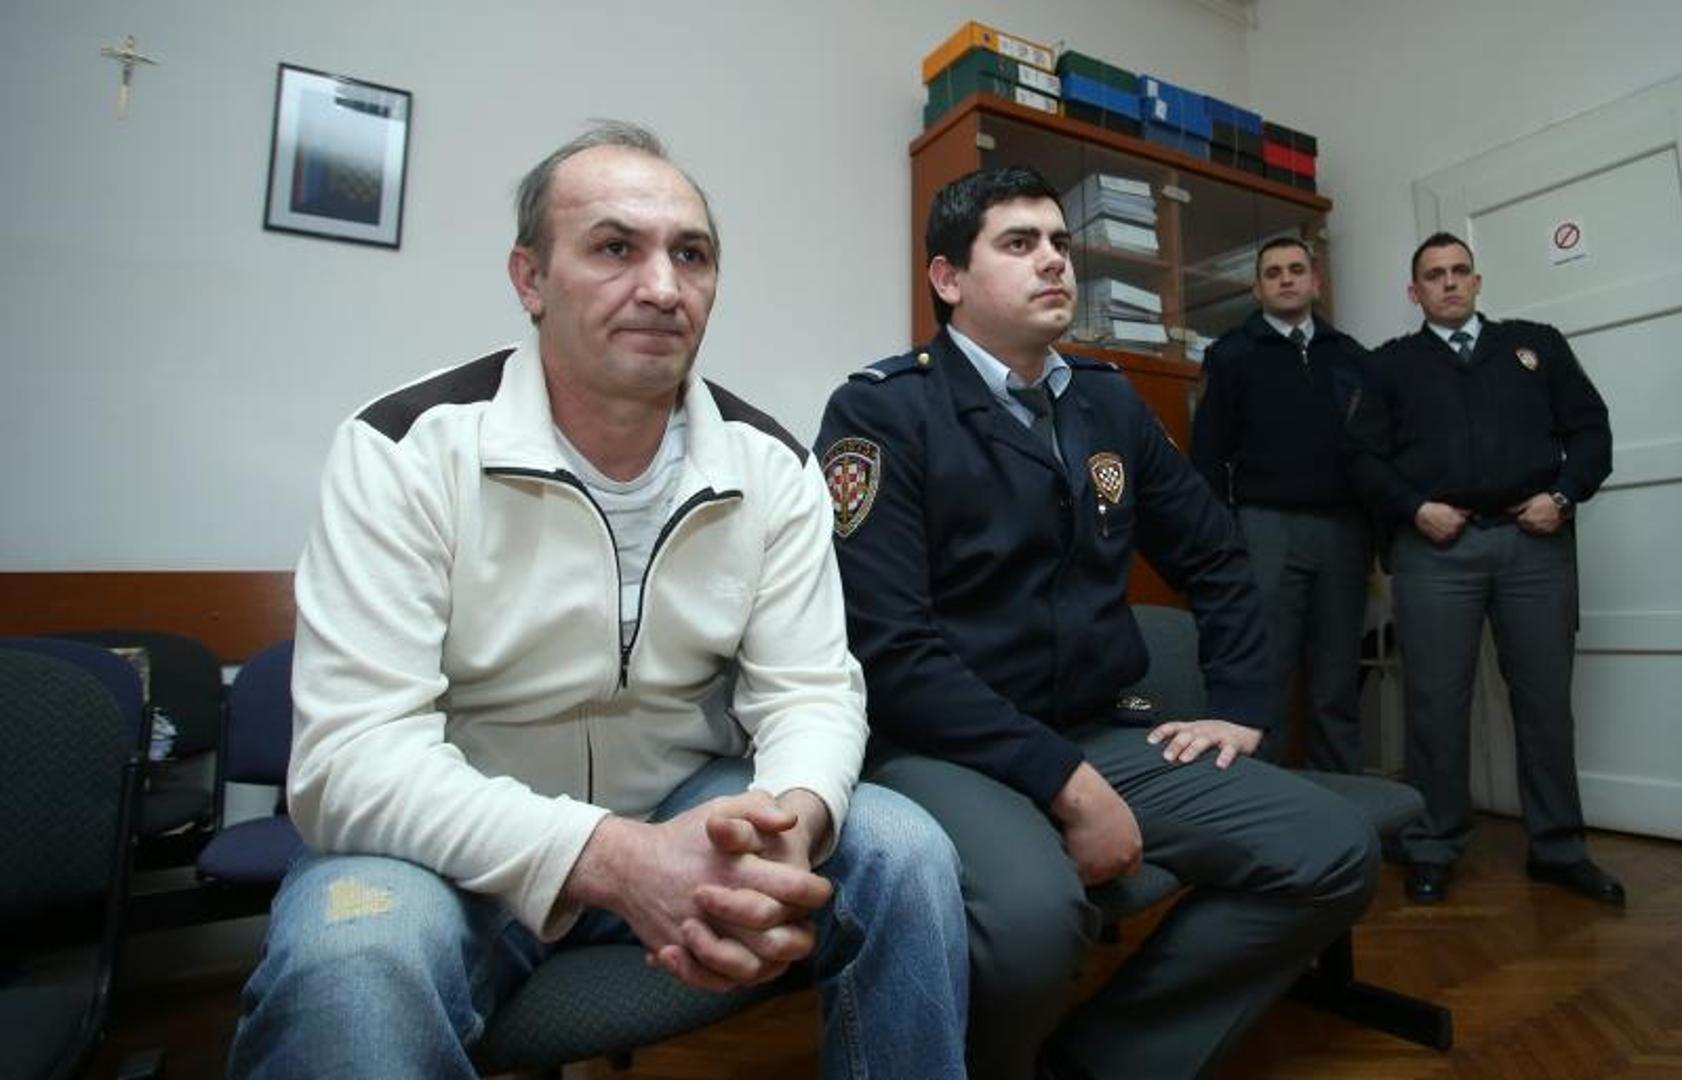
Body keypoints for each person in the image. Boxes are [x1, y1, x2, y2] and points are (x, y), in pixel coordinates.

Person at [228, 122, 969, 1080]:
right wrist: (615, 859)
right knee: (349, 970)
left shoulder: (774, 467)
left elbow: (812, 694)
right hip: (447, 848)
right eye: (616, 248)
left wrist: (789, 825)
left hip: (688, 810)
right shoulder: (405, 449)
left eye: (691, 255)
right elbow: (350, 764)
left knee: (905, 852)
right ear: (530, 279)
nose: (662, 287)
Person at [816, 164, 1378, 1080]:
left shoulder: (1106, 400)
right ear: (948, 278)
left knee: (1331, 848)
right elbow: (891, 650)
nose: (1055, 262)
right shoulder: (883, 410)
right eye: (1019, 243)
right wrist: (1068, 785)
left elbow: (1217, 555)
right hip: (944, 748)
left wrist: (1240, 704)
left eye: (1060, 243)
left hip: (1093, 728)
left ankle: (1098, 1063)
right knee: (1036, 925)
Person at [1345, 231, 1623, 908]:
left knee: (1545, 701)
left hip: (1534, 545)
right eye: (1433, 274)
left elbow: (1592, 431)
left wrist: (1563, 497)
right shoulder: (1389, 365)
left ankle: (1559, 849)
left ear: (1476, 281)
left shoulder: (1536, 346)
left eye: (1459, 270)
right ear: (1414, 292)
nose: (1448, 282)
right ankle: (1433, 845)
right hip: (1437, 550)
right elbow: (1359, 458)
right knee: (1436, 704)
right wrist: (1415, 509)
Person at [1190, 237, 1372, 771]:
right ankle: (1270, 803)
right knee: (1266, 675)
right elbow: (1207, 456)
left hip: (1343, 531)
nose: (1286, 279)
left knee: (1338, 678)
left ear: (1316, 282)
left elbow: (1372, 451)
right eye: (1273, 273)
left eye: (1296, 269)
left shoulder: (1352, 356)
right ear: (1257, 289)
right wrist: (1225, 538)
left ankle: (1344, 800)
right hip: (1264, 529)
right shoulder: (1231, 355)